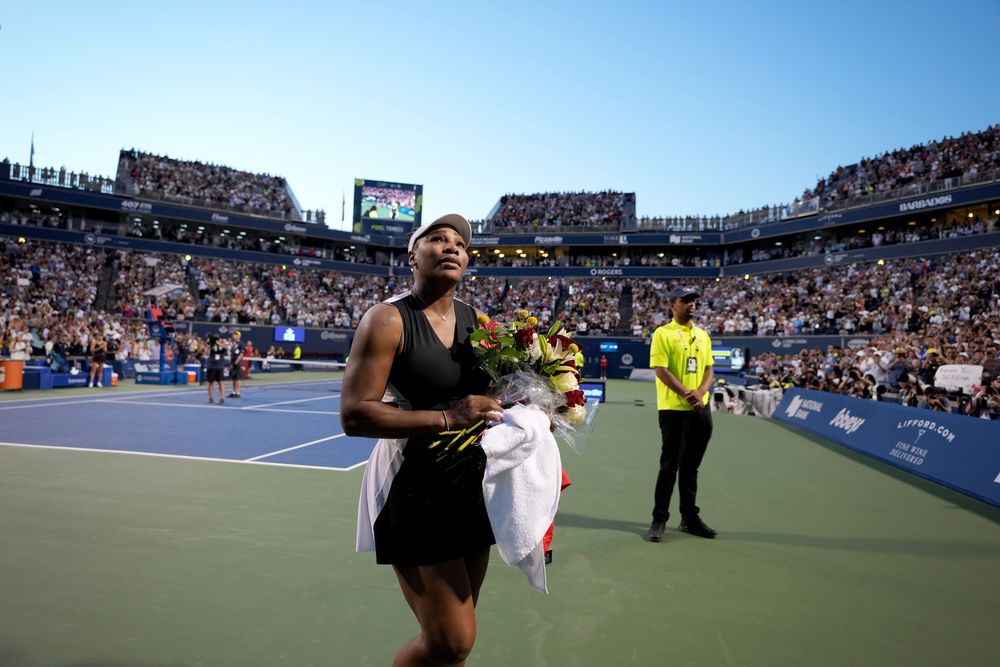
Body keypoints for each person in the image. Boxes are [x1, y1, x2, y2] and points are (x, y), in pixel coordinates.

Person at [341, 214, 504, 666]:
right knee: (452, 640)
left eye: (460, 243)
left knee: (453, 643)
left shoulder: (482, 323)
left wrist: (530, 411)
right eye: (437, 239)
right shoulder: (387, 319)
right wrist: (450, 417)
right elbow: (355, 415)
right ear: (413, 256)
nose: (451, 246)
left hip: (470, 483)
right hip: (412, 485)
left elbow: (493, 397)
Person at [646, 287, 718, 543]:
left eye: (693, 301)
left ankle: (689, 518)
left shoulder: (703, 336)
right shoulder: (662, 334)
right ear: (672, 306)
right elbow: (661, 370)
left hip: (701, 410)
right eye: (685, 301)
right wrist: (688, 394)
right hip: (674, 411)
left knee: (691, 469)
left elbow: (710, 369)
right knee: (669, 468)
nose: (691, 305)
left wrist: (700, 392)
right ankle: (659, 519)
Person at [206, 335, 227, 404]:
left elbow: (226, 348)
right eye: (216, 339)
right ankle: (210, 398)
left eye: (219, 339)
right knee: (211, 383)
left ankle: (221, 398)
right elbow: (208, 354)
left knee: (221, 382)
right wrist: (209, 346)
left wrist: (220, 343)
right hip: (212, 367)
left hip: (220, 367)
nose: (217, 340)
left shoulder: (222, 345)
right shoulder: (211, 346)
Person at [228, 331, 244, 398]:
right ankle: (233, 392)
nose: (233, 336)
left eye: (235, 335)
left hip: (237, 363)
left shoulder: (241, 344)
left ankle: (238, 392)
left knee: (237, 378)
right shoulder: (233, 343)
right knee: (233, 378)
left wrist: (236, 362)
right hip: (232, 362)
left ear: (238, 336)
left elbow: (241, 354)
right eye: (233, 334)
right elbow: (231, 353)